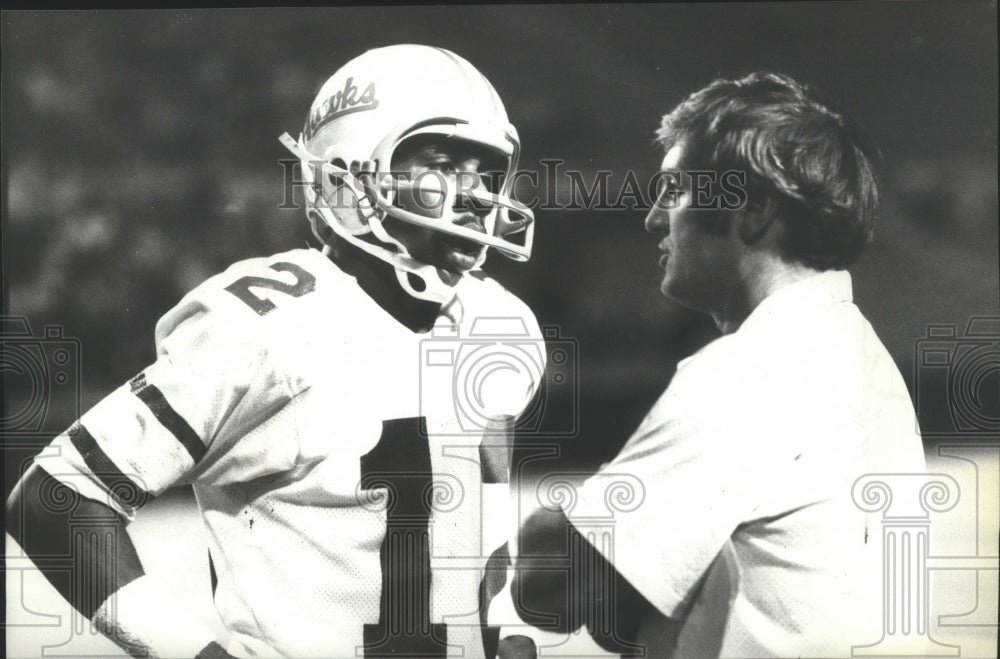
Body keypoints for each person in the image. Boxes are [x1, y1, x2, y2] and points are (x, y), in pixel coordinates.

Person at [7, 44, 544, 659]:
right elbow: (56, 495)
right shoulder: (263, 325)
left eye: (486, 170)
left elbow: (486, 498)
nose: (476, 193)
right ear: (350, 177)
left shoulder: (500, 320)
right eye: (444, 163)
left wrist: (508, 629)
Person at [511, 72, 926, 658]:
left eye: (675, 191)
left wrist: (557, 519)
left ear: (751, 210)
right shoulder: (855, 350)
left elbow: (547, 586)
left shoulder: (753, 370)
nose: (655, 219)